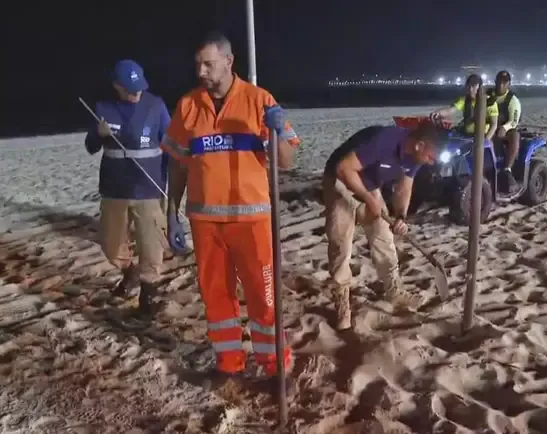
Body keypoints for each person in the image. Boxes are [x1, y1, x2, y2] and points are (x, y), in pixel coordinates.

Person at [160, 32, 300, 391]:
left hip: (251, 220)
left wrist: (277, 130)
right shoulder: (188, 106)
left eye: (208, 63)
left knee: (263, 297)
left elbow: (285, 162)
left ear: (229, 61)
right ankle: (229, 363)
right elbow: (177, 163)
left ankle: (274, 366)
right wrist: (171, 210)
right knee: (216, 296)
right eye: (197, 64)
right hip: (205, 221)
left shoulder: (259, 101)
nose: (202, 71)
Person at [84, 59, 186, 316]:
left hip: (149, 190)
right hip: (114, 190)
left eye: (139, 87)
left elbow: (170, 147)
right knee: (110, 244)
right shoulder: (103, 108)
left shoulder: (156, 106)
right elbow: (91, 146)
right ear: (116, 86)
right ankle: (129, 273)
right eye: (129, 88)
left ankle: (148, 294)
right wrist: (98, 134)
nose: (136, 92)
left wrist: (169, 182)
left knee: (151, 246)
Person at [322, 122, 442, 330]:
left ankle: (393, 291)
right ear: (419, 145)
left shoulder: (414, 157)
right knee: (341, 245)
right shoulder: (384, 140)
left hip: (369, 184)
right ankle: (342, 302)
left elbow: (405, 187)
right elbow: (344, 168)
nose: (431, 163)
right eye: (431, 157)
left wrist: (401, 216)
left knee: (384, 238)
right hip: (341, 181)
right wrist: (369, 199)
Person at [430, 74, 498, 142]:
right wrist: (438, 113)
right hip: (466, 136)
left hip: (483, 136)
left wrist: (486, 140)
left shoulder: (490, 102)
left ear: (480, 87)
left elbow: (494, 125)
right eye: (469, 86)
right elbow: (450, 110)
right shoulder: (464, 100)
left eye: (474, 86)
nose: (471, 89)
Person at [489, 70, 522, 193]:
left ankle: (507, 168)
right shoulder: (489, 95)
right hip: (489, 127)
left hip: (505, 129)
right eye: (499, 82)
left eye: (504, 83)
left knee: (515, 135)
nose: (501, 85)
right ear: (495, 82)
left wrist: (504, 128)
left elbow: (514, 120)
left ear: (508, 84)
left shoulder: (512, 100)